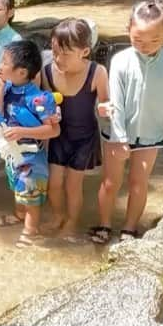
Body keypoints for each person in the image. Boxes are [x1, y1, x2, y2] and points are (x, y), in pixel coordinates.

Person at [91, 0, 163, 244]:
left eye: (154, 41)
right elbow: (116, 102)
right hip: (117, 132)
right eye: (138, 40)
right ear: (128, 30)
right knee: (110, 181)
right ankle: (104, 224)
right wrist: (120, 138)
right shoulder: (121, 60)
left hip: (151, 134)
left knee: (139, 182)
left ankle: (129, 228)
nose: (145, 46)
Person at [40, 19, 109, 242]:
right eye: (54, 51)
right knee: (54, 182)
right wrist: (46, 112)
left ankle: (71, 222)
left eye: (65, 54)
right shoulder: (48, 71)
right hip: (60, 135)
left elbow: (105, 104)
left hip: (85, 138)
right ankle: (59, 216)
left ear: (85, 51)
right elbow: (47, 102)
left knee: (73, 184)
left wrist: (107, 109)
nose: (58, 59)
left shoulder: (97, 72)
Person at [0, 40, 60, 248]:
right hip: (12, 153)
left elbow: (53, 130)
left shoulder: (39, 99)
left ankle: (31, 231)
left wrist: (22, 131)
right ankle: (19, 215)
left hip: (32, 156)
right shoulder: (8, 88)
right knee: (17, 187)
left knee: (31, 195)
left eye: (4, 61)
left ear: (21, 72)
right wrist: (0, 88)